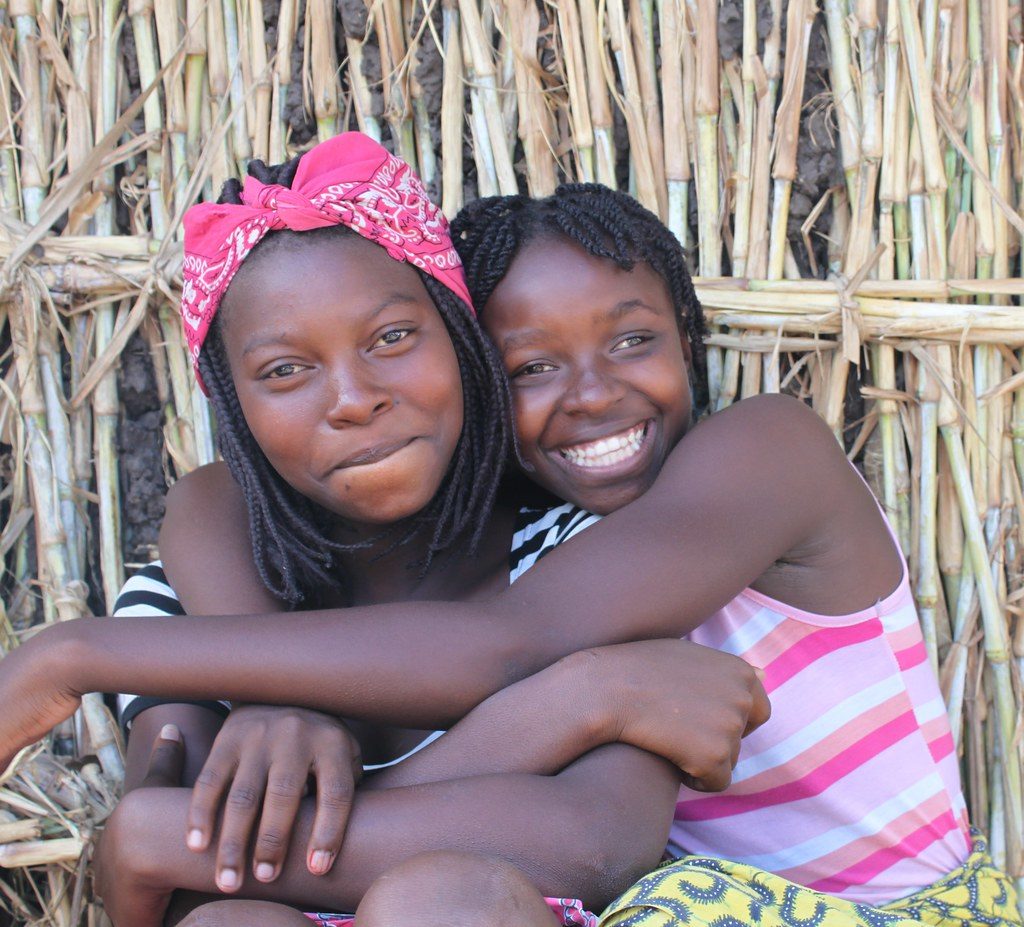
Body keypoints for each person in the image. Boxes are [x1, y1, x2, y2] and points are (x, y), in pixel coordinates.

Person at [0, 156, 1015, 924]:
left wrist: (75, 660)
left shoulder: (747, 463)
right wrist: (283, 714)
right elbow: (215, 527)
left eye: (632, 340)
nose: (591, 393)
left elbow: (525, 667)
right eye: (530, 367)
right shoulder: (231, 544)